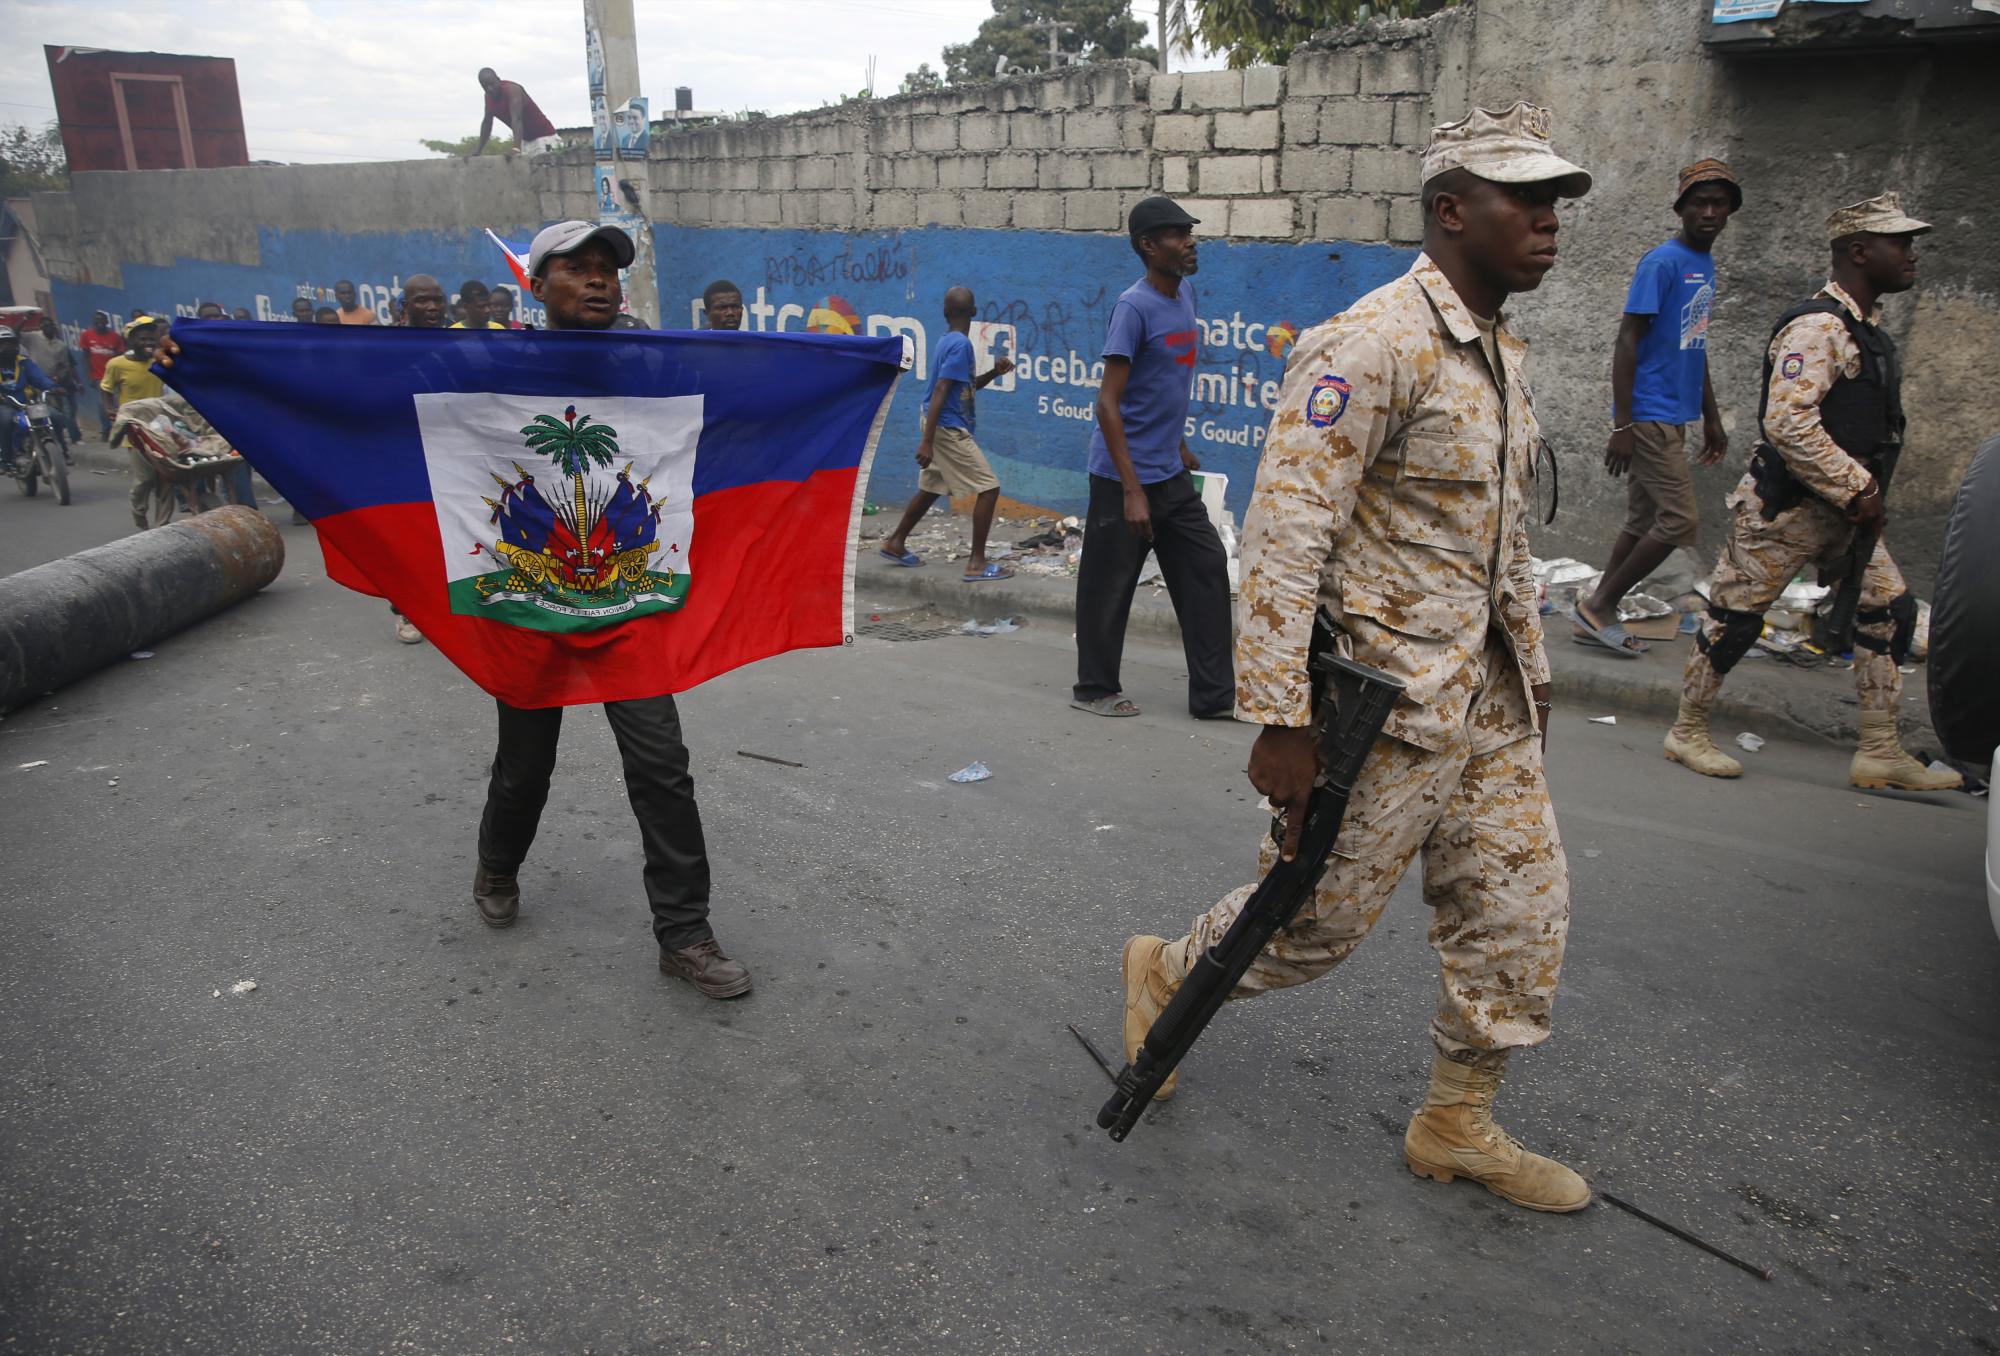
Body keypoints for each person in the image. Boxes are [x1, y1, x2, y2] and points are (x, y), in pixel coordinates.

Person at [1122, 103, 1593, 1213]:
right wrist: (1280, 722)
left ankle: (1454, 1122)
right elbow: (1285, 539)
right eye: (1521, 198)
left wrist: (1523, 662)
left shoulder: (1496, 355)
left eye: (1554, 200)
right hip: (1380, 710)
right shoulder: (1367, 345)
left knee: (1519, 915)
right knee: (1309, 927)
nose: (1546, 220)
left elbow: (1497, 537)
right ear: (1447, 210)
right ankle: (1163, 969)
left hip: (1484, 699)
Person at [473, 220, 751, 997]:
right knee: (526, 767)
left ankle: (684, 934)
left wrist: (860, 367)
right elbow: (366, 397)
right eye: (577, 269)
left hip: (624, 603)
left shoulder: (653, 367)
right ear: (537, 287)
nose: (598, 280)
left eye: (607, 270)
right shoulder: (490, 368)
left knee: (662, 767)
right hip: (532, 601)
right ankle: (498, 863)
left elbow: (740, 407)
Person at [1666, 193, 1960, 792]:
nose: (1910, 254)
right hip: (1786, 511)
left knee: (1888, 613)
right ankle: (1687, 731)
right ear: (1858, 251)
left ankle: (1879, 749)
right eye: (1898, 243)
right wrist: (1859, 486)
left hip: (1844, 516)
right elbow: (1788, 423)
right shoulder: (1818, 328)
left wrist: (1860, 496)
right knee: (1735, 621)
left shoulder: (1864, 328)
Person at [1071, 196, 1232, 720]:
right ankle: (1094, 689)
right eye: (1176, 234)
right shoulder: (1133, 307)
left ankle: (1214, 698)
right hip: (1122, 478)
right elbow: (1108, 402)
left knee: (1207, 567)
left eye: (1190, 232)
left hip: (1168, 470)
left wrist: (1178, 442)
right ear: (1147, 245)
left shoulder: (1185, 294)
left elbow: (1166, 382)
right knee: (1108, 588)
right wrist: (1132, 490)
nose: (1189, 241)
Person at [1572, 160, 1740, 655]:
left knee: (1642, 520)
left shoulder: (1703, 266)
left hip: (1675, 414)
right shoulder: (1662, 263)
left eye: (1718, 204)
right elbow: (1627, 342)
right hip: (1648, 415)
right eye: (1699, 203)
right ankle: (1601, 604)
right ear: (1681, 209)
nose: (1708, 212)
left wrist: (1709, 415)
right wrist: (1622, 423)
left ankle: (1595, 610)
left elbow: (1694, 343)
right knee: (1680, 521)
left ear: (1729, 211)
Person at [875, 287, 1016, 582]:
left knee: (931, 488)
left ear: (944, 313)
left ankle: (895, 542)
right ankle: (977, 564)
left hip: (937, 422)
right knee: (989, 489)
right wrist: (927, 441)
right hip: (946, 428)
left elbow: (964, 386)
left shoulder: (948, 341)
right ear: (975, 313)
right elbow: (940, 390)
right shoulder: (960, 346)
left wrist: (993, 372)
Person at [101, 318, 170, 528]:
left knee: (166, 478)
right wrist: (109, 408)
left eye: (151, 338)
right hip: (134, 428)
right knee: (145, 479)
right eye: (142, 339)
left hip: (162, 426)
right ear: (131, 341)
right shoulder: (117, 364)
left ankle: (162, 526)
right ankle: (139, 510)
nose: (148, 342)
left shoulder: (160, 361)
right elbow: (106, 388)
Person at [22, 316, 84, 450]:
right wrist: (24, 319)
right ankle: (64, 439)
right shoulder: (33, 339)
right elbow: (17, 335)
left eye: (50, 326)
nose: (48, 328)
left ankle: (67, 441)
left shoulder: (61, 345)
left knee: (65, 412)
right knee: (51, 414)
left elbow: (66, 365)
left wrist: (74, 382)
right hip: (39, 385)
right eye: (44, 326)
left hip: (59, 383)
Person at [0, 326, 57, 470]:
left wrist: (52, 387)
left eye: (11, 343)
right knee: (6, 421)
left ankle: (61, 451)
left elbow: (39, 377)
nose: (8, 347)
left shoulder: (23, 362)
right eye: (3, 343)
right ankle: (6, 459)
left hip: (27, 404)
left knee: (55, 417)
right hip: (4, 404)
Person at [475, 68, 563, 156]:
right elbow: (487, 123)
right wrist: (478, 151)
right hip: (525, 141)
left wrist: (516, 148)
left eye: (492, 84)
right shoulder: (488, 97)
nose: (490, 89)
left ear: (498, 80)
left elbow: (517, 119)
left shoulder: (512, 90)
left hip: (544, 138)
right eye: (485, 87)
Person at [78, 311, 124, 438]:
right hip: (98, 376)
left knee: (116, 403)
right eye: (96, 321)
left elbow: (119, 356)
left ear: (106, 322)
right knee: (101, 404)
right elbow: (86, 356)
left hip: (113, 375)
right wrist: (89, 375)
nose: (99, 324)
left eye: (102, 321)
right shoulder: (87, 335)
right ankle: (106, 430)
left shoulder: (115, 337)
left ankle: (119, 429)